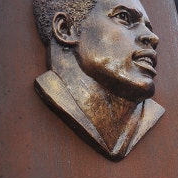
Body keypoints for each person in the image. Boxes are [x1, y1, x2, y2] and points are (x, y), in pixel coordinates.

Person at [33, 0, 165, 161]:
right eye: (124, 17)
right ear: (65, 29)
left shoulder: (149, 115)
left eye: (148, 27)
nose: (153, 37)